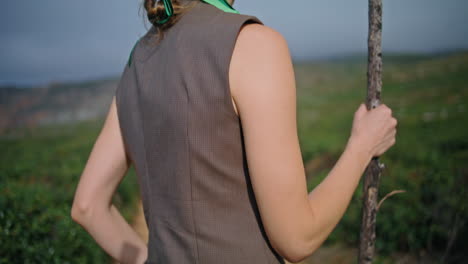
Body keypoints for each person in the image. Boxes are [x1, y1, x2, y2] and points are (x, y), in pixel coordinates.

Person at [71, 0, 398, 263]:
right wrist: (361, 147)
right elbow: (298, 238)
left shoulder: (136, 62)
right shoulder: (252, 43)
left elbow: (88, 206)